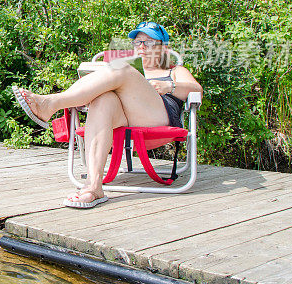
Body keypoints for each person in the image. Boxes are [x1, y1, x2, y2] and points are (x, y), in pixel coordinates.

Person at [13, 22, 202, 208]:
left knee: (122, 69)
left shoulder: (174, 71)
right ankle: (94, 187)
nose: (142, 46)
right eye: (137, 42)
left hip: (160, 118)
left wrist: (170, 86)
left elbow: (197, 90)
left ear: (164, 48)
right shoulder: (132, 72)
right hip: (123, 120)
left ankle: (51, 103)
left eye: (149, 42)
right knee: (103, 99)